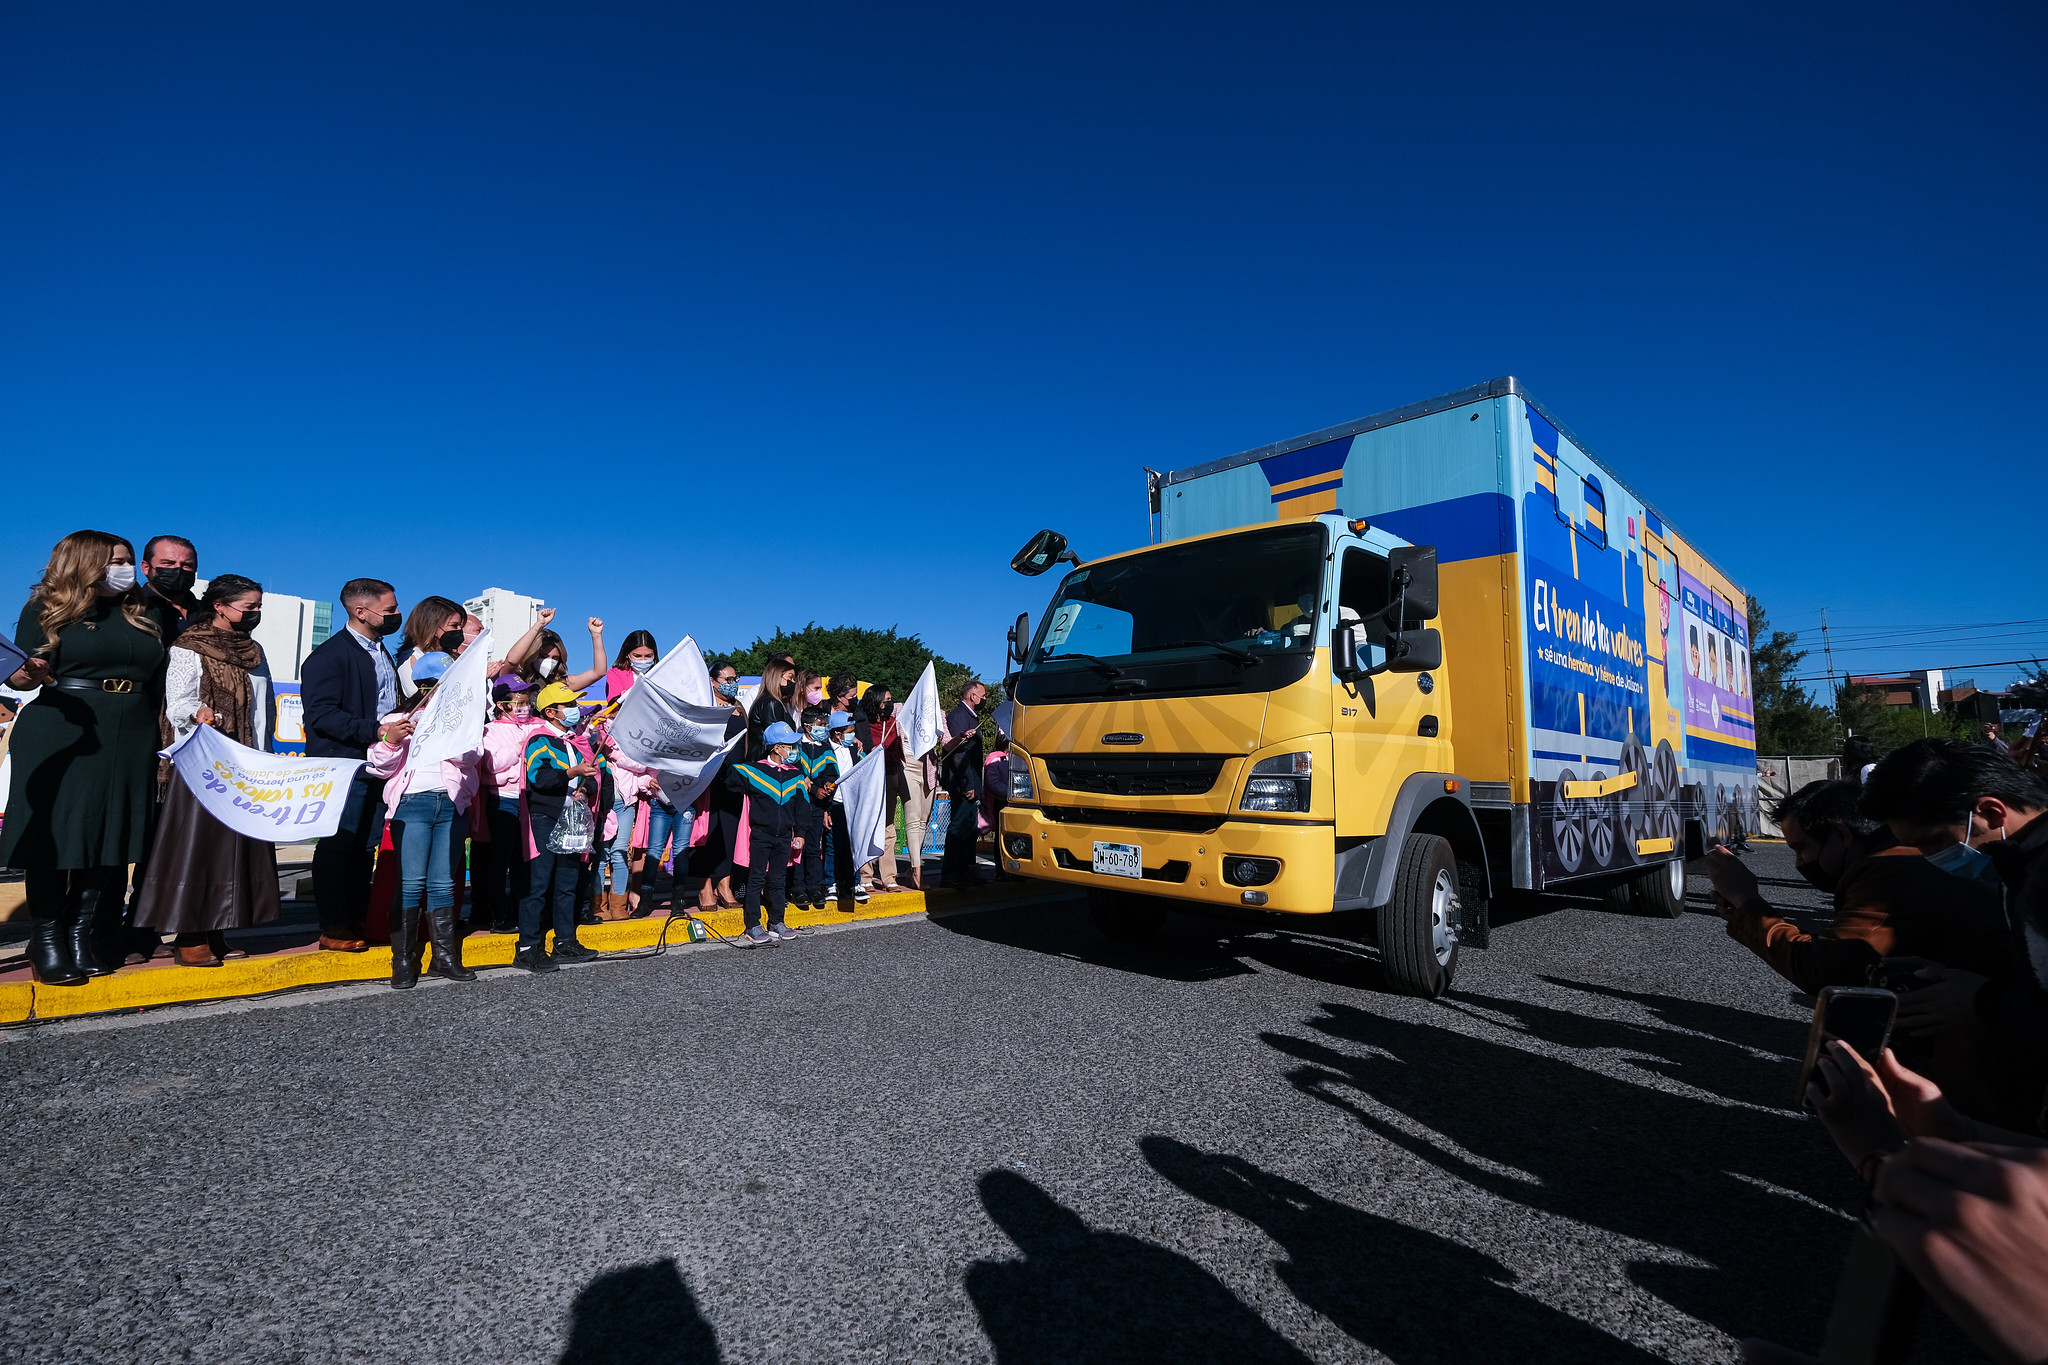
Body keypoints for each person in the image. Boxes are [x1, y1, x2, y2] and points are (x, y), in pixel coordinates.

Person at [1706, 778, 2022, 1119]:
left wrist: (1748, 901)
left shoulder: (1889, 872)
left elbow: (1823, 966)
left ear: (1841, 834)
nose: (1800, 863)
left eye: (1801, 849)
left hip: (1984, 1072)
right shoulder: (1902, 858)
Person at [1, 531, 166, 984]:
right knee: (58, 835)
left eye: (129, 559)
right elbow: (21, 680)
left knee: (112, 833)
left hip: (132, 728)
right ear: (84, 562)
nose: (125, 567)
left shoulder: (143, 611)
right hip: (66, 727)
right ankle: (47, 937)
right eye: (116, 559)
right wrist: (23, 673)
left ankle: (81, 933)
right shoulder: (45, 608)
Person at [134, 575, 280, 967]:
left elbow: (263, 709)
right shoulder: (188, 646)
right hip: (204, 762)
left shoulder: (255, 650)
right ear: (220, 605)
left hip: (245, 760)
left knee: (234, 849)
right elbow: (176, 700)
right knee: (199, 849)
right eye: (248, 606)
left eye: (258, 606)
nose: (255, 613)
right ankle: (190, 934)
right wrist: (195, 713)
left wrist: (264, 755)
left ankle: (217, 928)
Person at [302, 577, 412, 953]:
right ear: (360, 611)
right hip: (344, 766)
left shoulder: (382, 653)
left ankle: (357, 917)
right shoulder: (329, 657)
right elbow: (321, 716)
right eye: (391, 610)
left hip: (380, 764)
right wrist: (377, 729)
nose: (397, 615)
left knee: (365, 846)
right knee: (338, 844)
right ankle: (334, 925)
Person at [363, 652, 481, 989]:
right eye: (432, 686)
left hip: (452, 805)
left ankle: (444, 958)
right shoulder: (400, 717)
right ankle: (402, 961)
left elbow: (473, 756)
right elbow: (378, 766)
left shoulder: (462, 719)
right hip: (412, 805)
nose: (437, 692)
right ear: (422, 687)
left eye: (444, 687)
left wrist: (454, 737)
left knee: (443, 882)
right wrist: (391, 740)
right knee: (411, 882)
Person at [516, 682, 601, 972]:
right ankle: (528, 946)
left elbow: (589, 775)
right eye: (569, 705)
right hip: (544, 818)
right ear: (551, 712)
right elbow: (538, 778)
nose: (575, 709)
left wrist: (585, 788)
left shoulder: (572, 740)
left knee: (567, 883)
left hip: (570, 819)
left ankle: (565, 941)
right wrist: (570, 773)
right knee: (538, 883)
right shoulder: (539, 739)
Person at [726, 720, 809, 946]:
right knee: (756, 879)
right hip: (760, 834)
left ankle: (777, 922)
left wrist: (800, 833)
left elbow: (802, 809)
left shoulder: (796, 776)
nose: (793, 750)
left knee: (779, 880)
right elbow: (727, 777)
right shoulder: (753, 771)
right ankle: (753, 924)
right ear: (776, 747)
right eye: (789, 745)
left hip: (785, 836)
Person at [476, 679, 538, 934]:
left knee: (525, 859)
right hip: (504, 799)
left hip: (532, 799)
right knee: (501, 858)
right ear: (502, 705)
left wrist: (508, 770)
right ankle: (499, 914)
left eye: (527, 701)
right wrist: (518, 749)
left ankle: (522, 909)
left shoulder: (538, 726)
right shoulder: (490, 730)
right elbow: (491, 767)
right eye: (518, 702)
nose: (525, 707)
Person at [689, 658, 749, 913]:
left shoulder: (740, 709)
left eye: (735, 680)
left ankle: (724, 885)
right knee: (706, 834)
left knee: (729, 834)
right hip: (710, 780)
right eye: (727, 680)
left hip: (734, 780)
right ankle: (704, 887)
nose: (732, 684)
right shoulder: (705, 708)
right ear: (712, 682)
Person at [939, 680, 989, 889]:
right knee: (959, 825)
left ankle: (967, 869)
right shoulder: (959, 716)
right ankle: (950, 872)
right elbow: (959, 754)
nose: (985, 699)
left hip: (972, 781)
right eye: (983, 695)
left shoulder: (970, 717)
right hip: (961, 782)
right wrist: (968, 783)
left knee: (970, 826)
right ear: (972, 696)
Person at [393, 596, 468, 697]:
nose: (459, 630)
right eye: (454, 625)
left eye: (461, 626)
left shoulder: (453, 657)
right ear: (432, 626)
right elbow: (415, 695)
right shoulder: (412, 657)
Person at [517, 616, 607, 693]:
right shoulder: (517, 678)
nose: (549, 661)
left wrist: (596, 635)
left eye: (555, 658)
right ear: (533, 654)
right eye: (544, 656)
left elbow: (599, 672)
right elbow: (511, 660)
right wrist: (537, 626)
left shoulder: (562, 683)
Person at [138, 534, 200, 641]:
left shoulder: (209, 612)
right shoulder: (132, 609)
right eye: (168, 563)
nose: (177, 569)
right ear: (146, 568)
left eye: (186, 565)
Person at [747, 657, 799, 760]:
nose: (793, 682)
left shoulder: (772, 701)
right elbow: (779, 739)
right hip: (767, 765)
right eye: (790, 678)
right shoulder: (771, 703)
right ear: (778, 677)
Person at [601, 630, 659, 707]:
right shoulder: (616, 673)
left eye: (648, 656)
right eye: (637, 656)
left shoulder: (661, 674)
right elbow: (614, 705)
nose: (643, 660)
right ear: (627, 654)